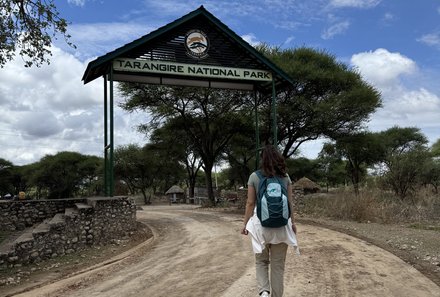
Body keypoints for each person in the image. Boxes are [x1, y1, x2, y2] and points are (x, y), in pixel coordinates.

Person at [241, 145, 299, 297]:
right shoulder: (285, 177)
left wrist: (245, 224)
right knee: (278, 266)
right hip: (281, 227)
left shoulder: (254, 176)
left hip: (261, 227)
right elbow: (290, 203)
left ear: (262, 159)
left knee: (261, 262)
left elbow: (250, 203)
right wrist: (293, 223)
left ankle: (264, 292)